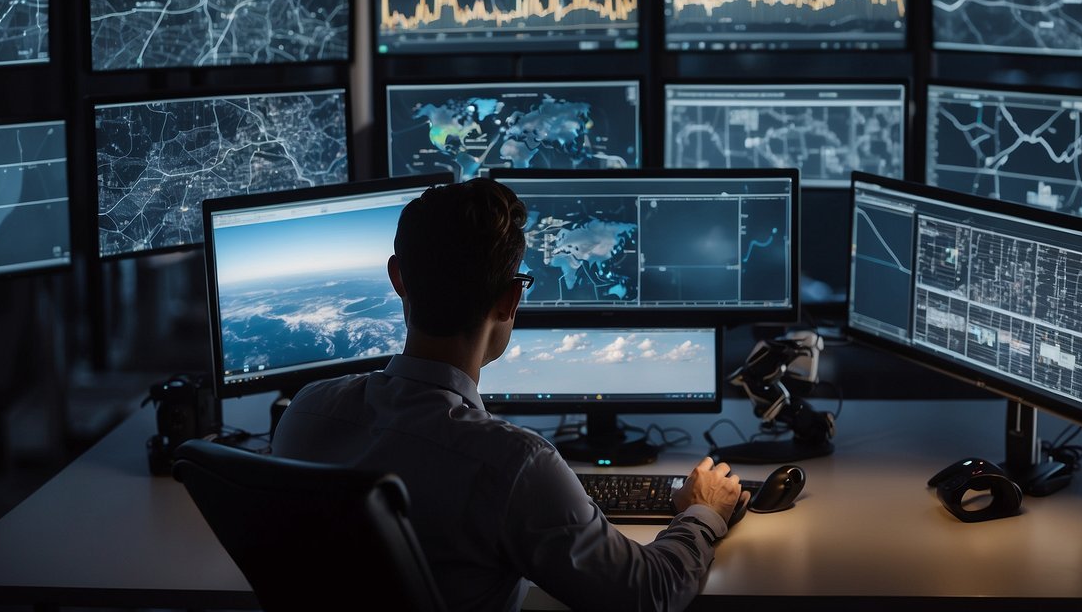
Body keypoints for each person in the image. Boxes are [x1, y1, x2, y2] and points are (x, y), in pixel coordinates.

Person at [272, 178, 747, 612]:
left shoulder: (306, 411)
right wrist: (703, 511)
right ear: (510, 299)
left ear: (398, 278)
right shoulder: (514, 463)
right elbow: (649, 593)